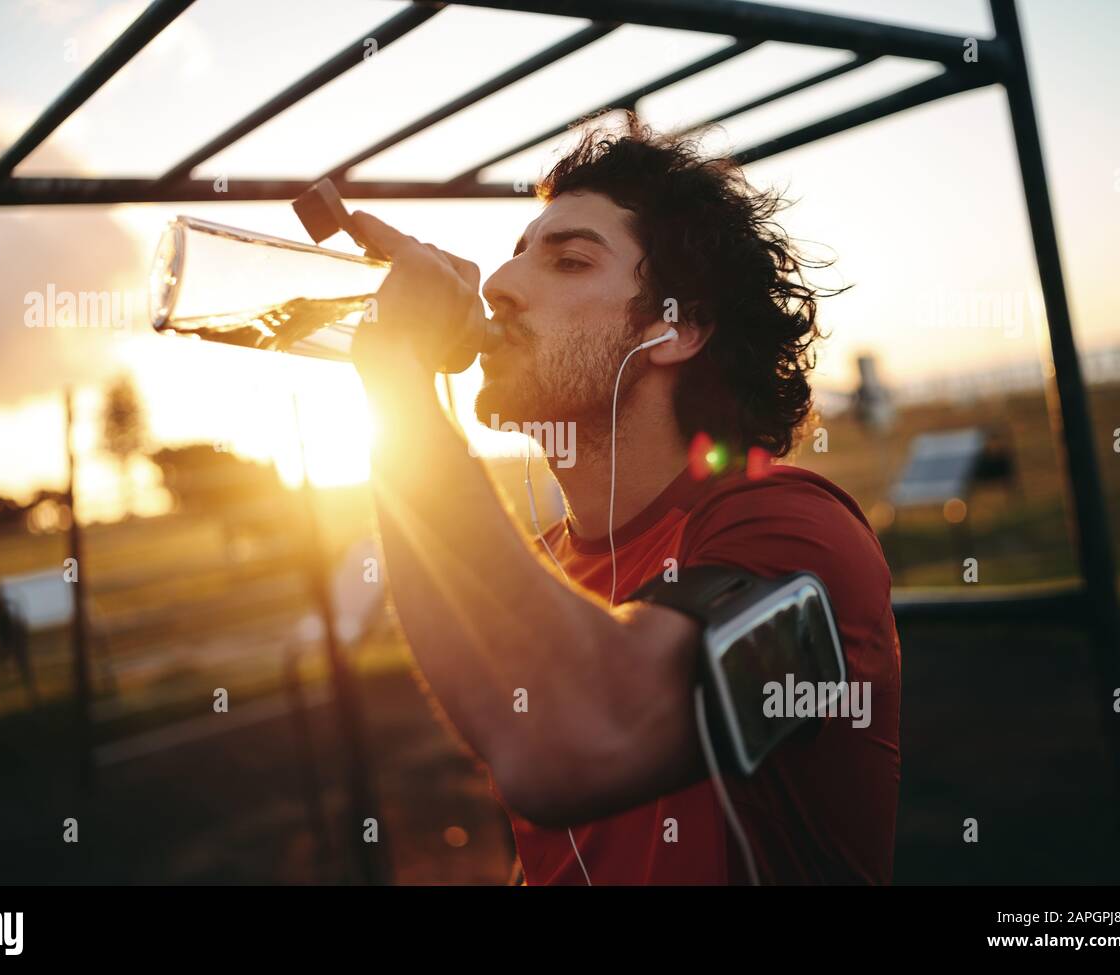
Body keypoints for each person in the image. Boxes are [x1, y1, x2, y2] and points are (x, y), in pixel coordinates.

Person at [346, 116, 900, 885]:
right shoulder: (541, 569)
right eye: (514, 258)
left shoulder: (792, 530)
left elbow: (580, 734)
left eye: (570, 260)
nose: (499, 286)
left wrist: (401, 387)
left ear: (676, 329)